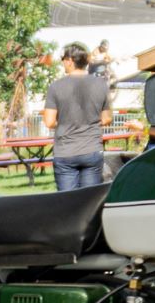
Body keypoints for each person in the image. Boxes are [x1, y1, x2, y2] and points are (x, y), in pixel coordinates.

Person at [41, 42, 112, 192]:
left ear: (69, 60)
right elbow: (107, 119)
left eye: (62, 59)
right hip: (91, 150)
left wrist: (66, 122)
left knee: (68, 202)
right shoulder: (101, 84)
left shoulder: (56, 87)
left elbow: (49, 121)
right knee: (88, 201)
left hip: (65, 151)